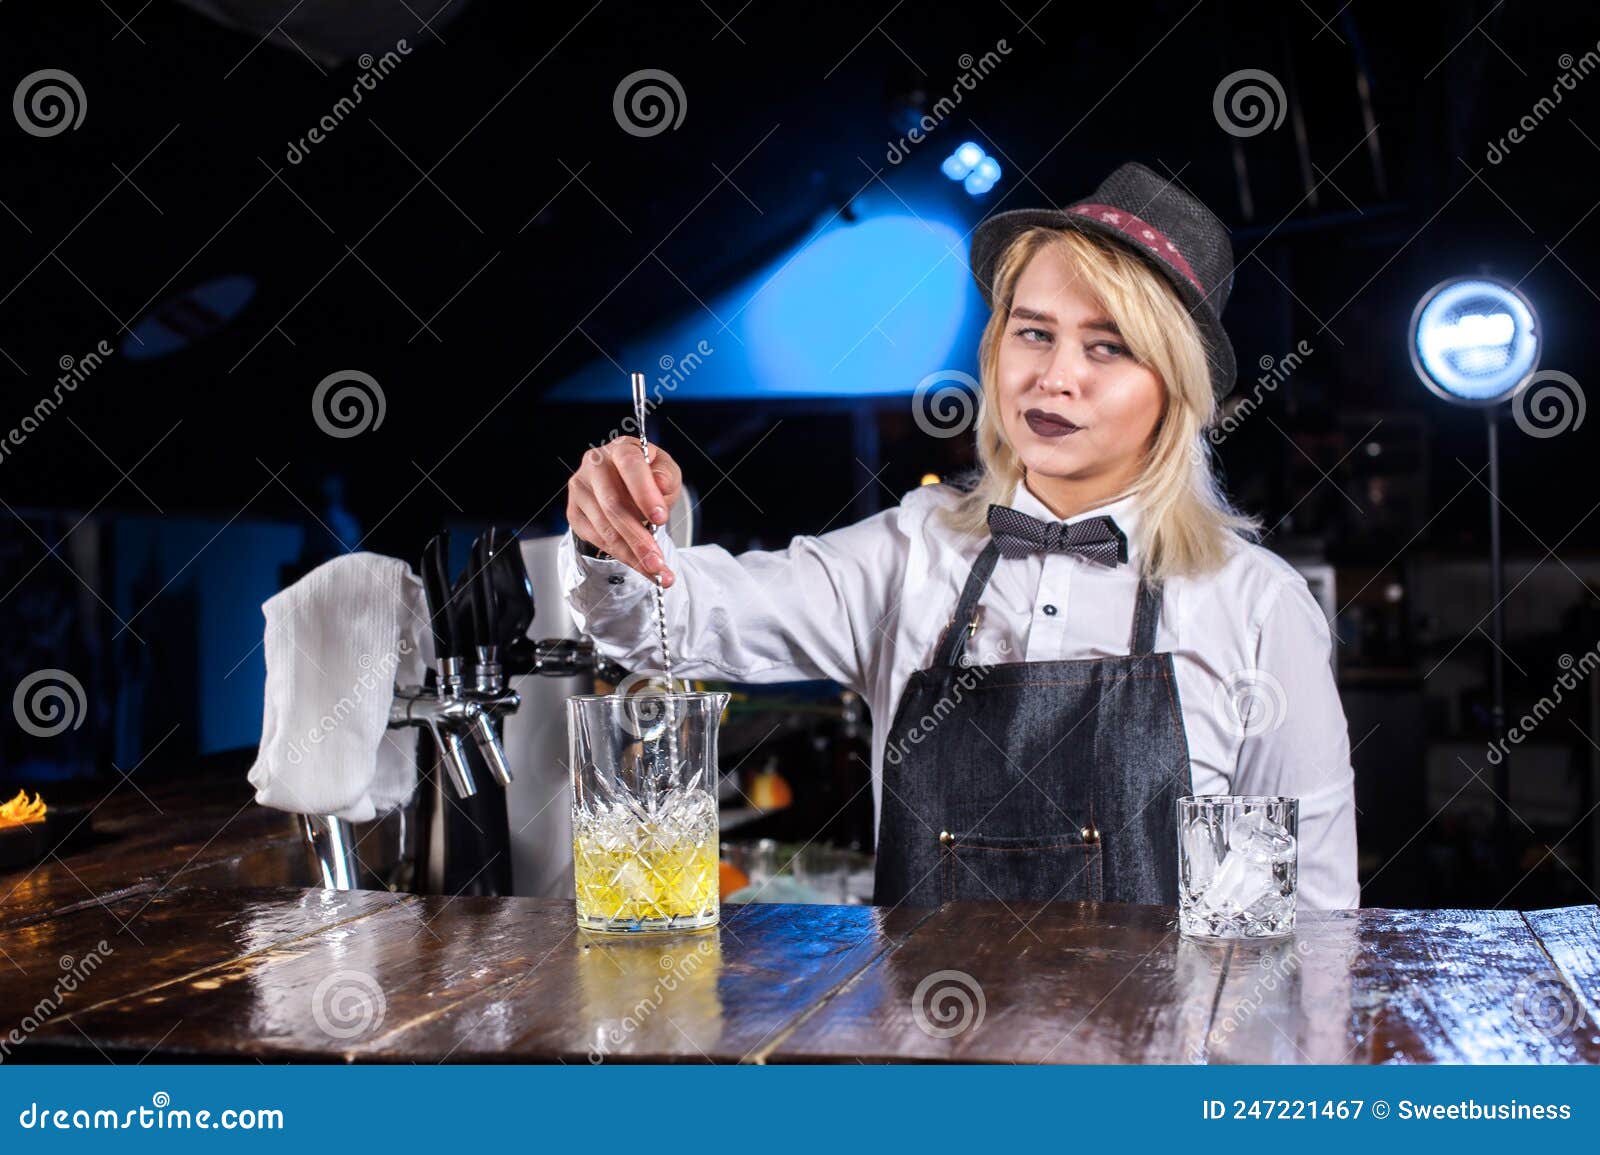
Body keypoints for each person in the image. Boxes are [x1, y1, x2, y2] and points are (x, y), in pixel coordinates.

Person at [558, 161, 1359, 911]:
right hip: (924, 1055)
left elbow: (1307, 930)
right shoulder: (908, 554)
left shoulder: (1256, 609)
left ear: (1175, 388)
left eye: (1107, 346)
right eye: (1034, 331)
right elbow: (670, 623)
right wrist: (616, 530)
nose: (1055, 376)